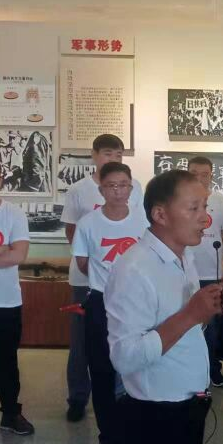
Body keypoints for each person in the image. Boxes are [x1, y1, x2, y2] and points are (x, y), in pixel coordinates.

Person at [105, 170, 223, 444]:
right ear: (160, 215)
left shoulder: (184, 257)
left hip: (189, 402)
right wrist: (191, 314)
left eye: (205, 207)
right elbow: (125, 357)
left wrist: (208, 310)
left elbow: (188, 330)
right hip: (156, 415)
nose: (205, 219)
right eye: (194, 208)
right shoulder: (134, 270)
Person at [60, 134, 143, 422]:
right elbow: (73, 231)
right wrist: (95, 265)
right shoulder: (79, 190)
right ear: (94, 155)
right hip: (87, 281)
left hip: (127, 285)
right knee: (83, 343)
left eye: (119, 154)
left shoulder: (136, 188)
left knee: (124, 341)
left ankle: (124, 397)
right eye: (108, 153)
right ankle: (78, 397)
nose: (113, 159)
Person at [72, 162, 148, 444]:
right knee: (102, 369)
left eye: (123, 185)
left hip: (137, 302)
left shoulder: (143, 220)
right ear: (101, 189)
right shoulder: (88, 223)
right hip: (101, 302)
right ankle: (108, 436)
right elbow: (82, 262)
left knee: (136, 367)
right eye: (111, 185)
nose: (118, 191)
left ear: (131, 187)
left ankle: (134, 432)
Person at [186, 156, 223, 388]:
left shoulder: (221, 202)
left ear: (211, 175)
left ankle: (212, 369)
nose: (199, 178)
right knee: (186, 324)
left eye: (204, 174)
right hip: (183, 273)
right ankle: (189, 370)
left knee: (212, 327)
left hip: (211, 274)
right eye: (193, 173)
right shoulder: (178, 200)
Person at [0, 182, 33, 436]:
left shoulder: (14, 213)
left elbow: (18, 256)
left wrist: (10, 252)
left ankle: (10, 413)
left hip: (6, 300)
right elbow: (9, 253)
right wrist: (4, 250)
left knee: (7, 361)